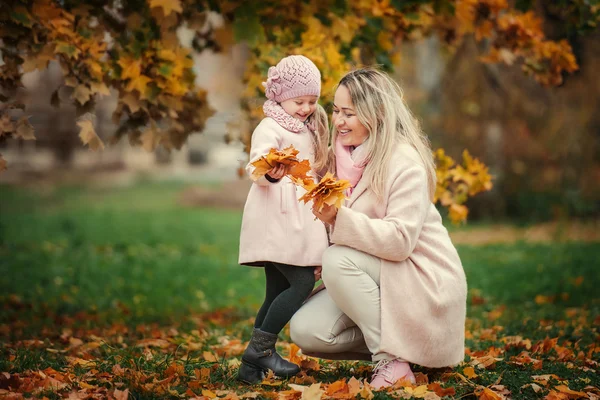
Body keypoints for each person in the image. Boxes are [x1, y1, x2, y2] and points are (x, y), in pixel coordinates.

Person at [289, 68, 467, 389]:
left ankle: (391, 360)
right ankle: (407, 349)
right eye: (336, 111)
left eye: (349, 113)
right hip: (378, 277)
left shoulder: (403, 162)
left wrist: (338, 220)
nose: (339, 121)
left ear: (377, 114)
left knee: (338, 260)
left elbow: (400, 242)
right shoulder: (341, 159)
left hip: (421, 280)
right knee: (306, 330)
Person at [237, 55, 329, 384]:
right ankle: (262, 351)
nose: (305, 108)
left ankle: (250, 370)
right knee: (302, 282)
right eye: (298, 101)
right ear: (279, 96)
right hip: (276, 219)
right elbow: (255, 166)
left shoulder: (308, 126)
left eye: (311, 101)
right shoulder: (270, 126)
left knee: (276, 290)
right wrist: (270, 173)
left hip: (296, 220)